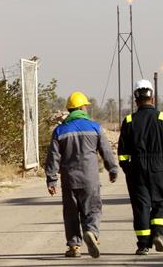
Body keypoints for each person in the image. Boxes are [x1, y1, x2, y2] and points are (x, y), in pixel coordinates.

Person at [45, 91, 118, 258]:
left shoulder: (60, 130)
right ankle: (91, 232)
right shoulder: (95, 127)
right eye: (85, 106)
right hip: (90, 179)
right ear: (81, 107)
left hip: (69, 180)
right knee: (93, 209)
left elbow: (53, 157)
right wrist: (112, 169)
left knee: (71, 213)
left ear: (70, 109)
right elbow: (106, 151)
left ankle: (74, 247)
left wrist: (51, 180)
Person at [118, 79, 163, 255]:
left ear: (136, 99)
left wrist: (129, 170)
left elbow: (122, 154)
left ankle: (143, 245)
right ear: (152, 98)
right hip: (158, 167)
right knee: (160, 202)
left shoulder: (129, 120)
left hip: (136, 168)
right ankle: (158, 234)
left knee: (141, 206)